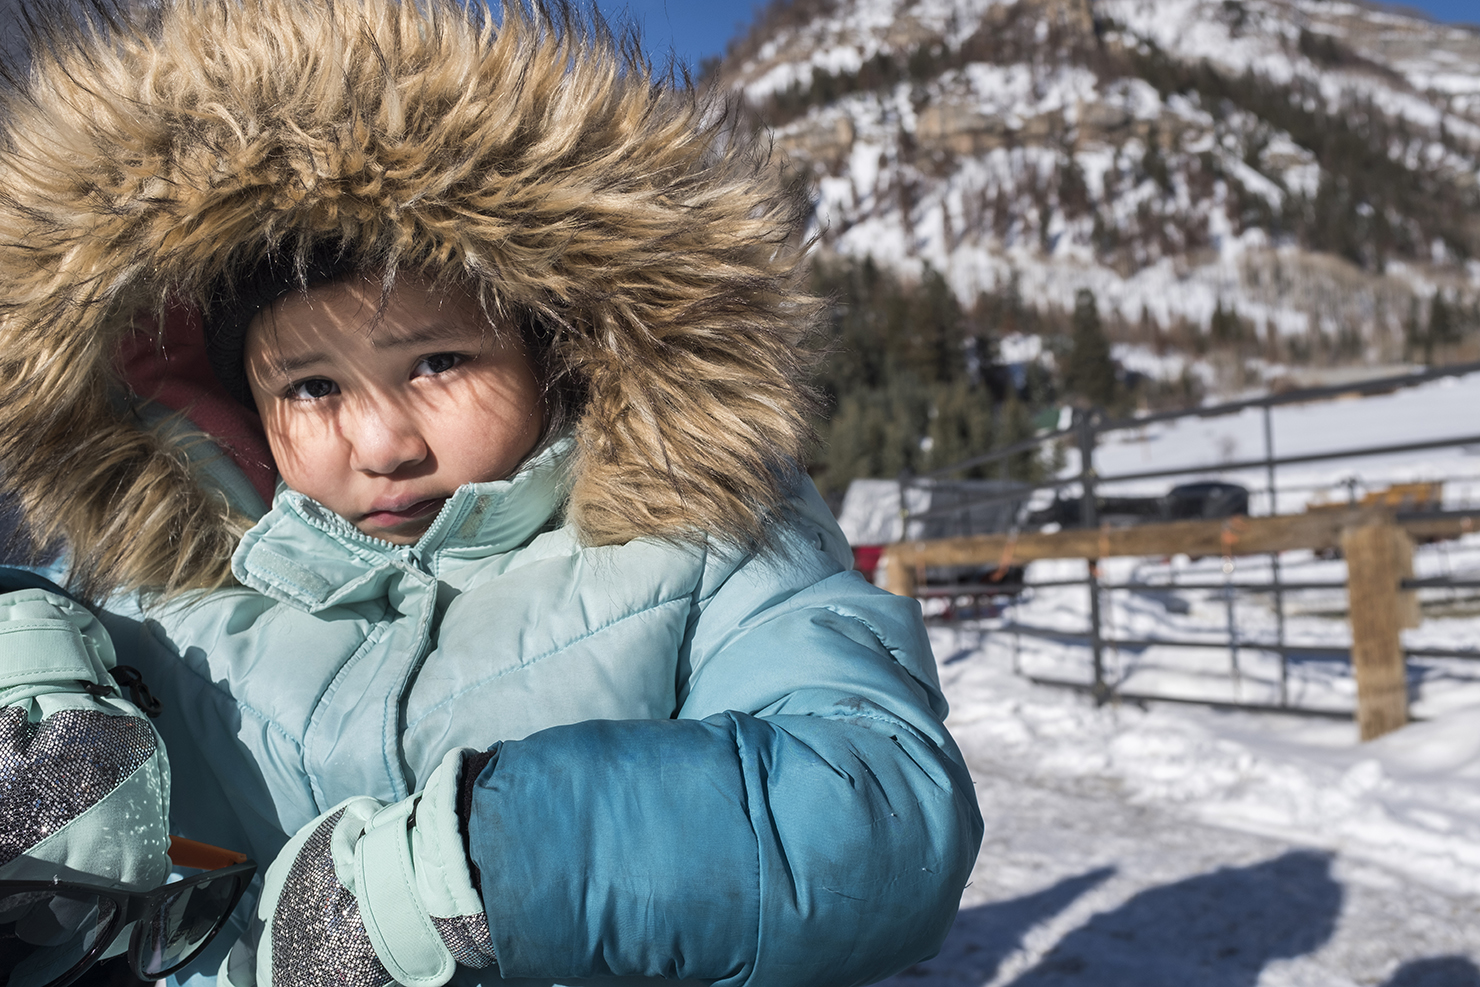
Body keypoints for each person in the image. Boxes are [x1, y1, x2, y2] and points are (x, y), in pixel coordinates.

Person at [0, 0, 984, 984]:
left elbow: (883, 815)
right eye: (312, 387)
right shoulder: (161, 590)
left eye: (438, 362)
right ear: (235, 404)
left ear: (551, 346)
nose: (384, 444)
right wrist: (29, 674)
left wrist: (482, 866)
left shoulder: (705, 535)